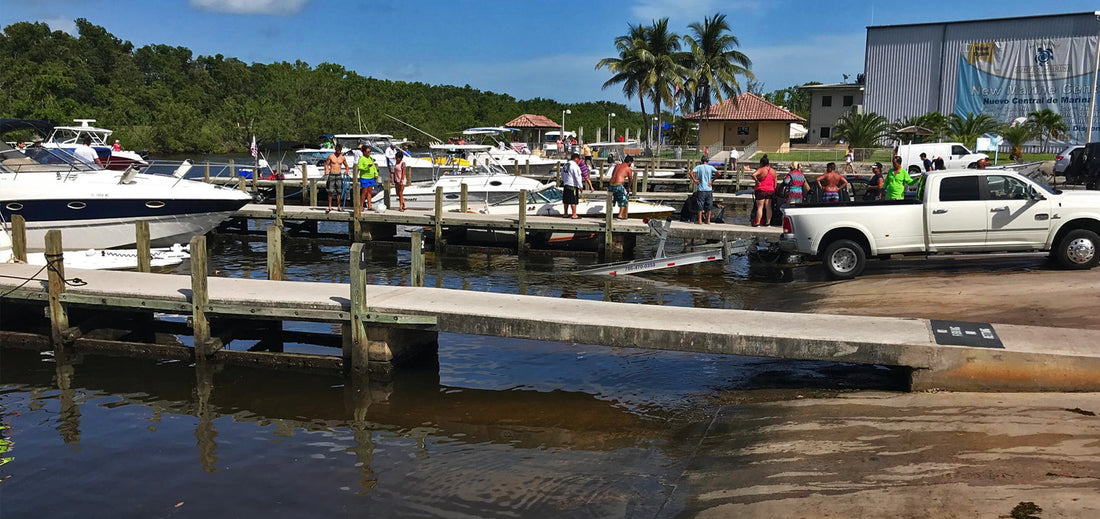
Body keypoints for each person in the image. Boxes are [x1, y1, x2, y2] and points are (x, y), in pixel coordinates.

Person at [690, 156, 716, 224]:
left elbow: (691, 172)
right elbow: (718, 173)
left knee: (700, 204)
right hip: (709, 188)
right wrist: (712, 180)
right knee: (709, 204)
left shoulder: (699, 167)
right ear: (707, 161)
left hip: (701, 188)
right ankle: (708, 220)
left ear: (701, 161)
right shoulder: (710, 167)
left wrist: (695, 180)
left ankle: (700, 220)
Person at [751, 155, 777, 226]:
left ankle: (758, 222)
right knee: (768, 207)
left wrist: (757, 181)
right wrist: (774, 189)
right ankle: (768, 222)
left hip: (761, 190)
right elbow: (775, 182)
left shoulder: (761, 169)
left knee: (760, 207)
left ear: (761, 163)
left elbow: (753, 175)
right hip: (770, 190)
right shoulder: (773, 171)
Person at [324, 144, 348, 212]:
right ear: (335, 149)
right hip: (332, 174)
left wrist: (346, 171)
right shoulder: (331, 156)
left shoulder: (342, 157)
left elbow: (346, 166)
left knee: (339, 191)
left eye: (340, 150)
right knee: (330, 191)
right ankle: (329, 206)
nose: (338, 151)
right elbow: (326, 164)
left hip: (338, 175)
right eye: (337, 150)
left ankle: (339, 206)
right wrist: (326, 170)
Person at [560, 152, 583, 218]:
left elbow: (562, 174)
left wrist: (565, 181)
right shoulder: (575, 166)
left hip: (566, 184)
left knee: (566, 201)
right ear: (576, 159)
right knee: (573, 200)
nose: (579, 161)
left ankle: (565, 213)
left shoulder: (565, 164)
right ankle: (574, 214)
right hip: (573, 185)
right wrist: (580, 186)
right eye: (579, 159)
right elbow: (577, 176)